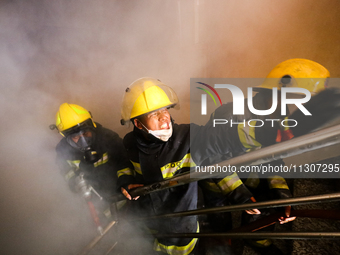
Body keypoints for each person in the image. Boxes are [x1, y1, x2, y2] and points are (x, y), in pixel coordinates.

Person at [203, 58, 339, 250]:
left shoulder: (282, 116)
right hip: (218, 179)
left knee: (262, 202)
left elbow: (272, 158)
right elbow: (211, 159)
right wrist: (240, 194)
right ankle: (222, 240)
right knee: (219, 216)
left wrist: (283, 196)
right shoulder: (230, 114)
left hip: (250, 174)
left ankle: (254, 237)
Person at [118, 78, 265, 255]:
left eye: (165, 109)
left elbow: (218, 151)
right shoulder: (129, 143)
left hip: (182, 226)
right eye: (153, 114)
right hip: (147, 221)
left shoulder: (188, 137)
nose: (164, 117)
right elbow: (124, 165)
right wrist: (126, 182)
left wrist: (240, 195)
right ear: (137, 124)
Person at [50, 103, 132, 232]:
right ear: (67, 138)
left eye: (86, 133)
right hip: (96, 207)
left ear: (92, 126)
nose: (83, 141)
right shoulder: (63, 152)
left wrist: (125, 182)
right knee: (110, 236)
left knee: (134, 230)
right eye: (76, 137)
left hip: (123, 199)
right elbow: (67, 174)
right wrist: (75, 184)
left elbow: (124, 162)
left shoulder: (108, 138)